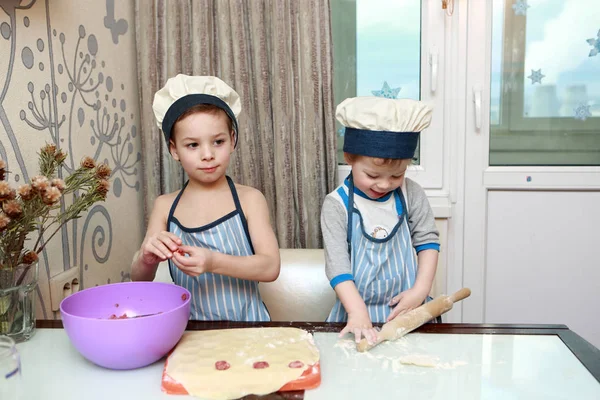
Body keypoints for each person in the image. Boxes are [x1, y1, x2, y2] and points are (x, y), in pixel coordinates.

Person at [131, 74, 280, 321]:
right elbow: (140, 279)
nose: (208, 154)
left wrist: (212, 262)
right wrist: (146, 258)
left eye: (218, 141)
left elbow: (270, 267)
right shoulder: (165, 206)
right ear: (173, 149)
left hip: (250, 328)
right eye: (192, 145)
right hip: (189, 332)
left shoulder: (250, 200)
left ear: (232, 140)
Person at [321, 96, 440, 344]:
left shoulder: (412, 194)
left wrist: (420, 291)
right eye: (372, 174)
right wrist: (356, 312)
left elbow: (428, 242)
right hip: (356, 313)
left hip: (408, 312)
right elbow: (337, 266)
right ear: (349, 157)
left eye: (397, 175)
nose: (385, 184)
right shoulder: (336, 205)